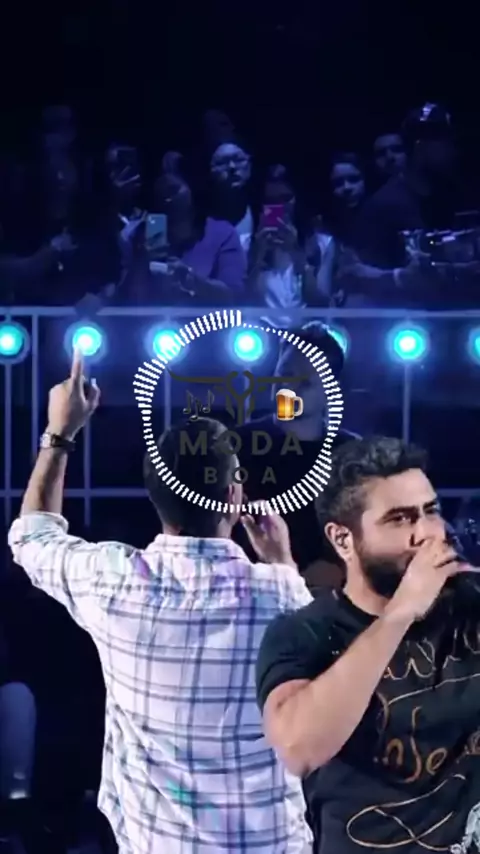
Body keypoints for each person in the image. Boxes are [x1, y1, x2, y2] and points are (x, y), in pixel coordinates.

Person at [8, 350, 313, 854]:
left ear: (153, 494)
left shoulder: (113, 582)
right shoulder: (280, 593)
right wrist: (282, 562)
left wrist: (60, 433)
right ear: (233, 495)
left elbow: (31, 537)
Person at [256, 435, 480, 853]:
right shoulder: (306, 632)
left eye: (431, 511)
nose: (426, 534)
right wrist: (399, 613)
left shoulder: (470, 605)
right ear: (343, 540)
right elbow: (298, 747)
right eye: (400, 519)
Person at [236, 321, 359, 588]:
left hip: (328, 597)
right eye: (285, 374)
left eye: (304, 382)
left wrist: (341, 566)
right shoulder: (237, 446)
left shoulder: (351, 455)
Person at [119, 154, 246, 304]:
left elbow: (233, 296)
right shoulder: (136, 236)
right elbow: (123, 302)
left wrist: (190, 278)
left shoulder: (223, 234)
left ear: (192, 188)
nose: (167, 199)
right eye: (161, 192)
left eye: (173, 190)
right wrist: (140, 262)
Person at [247, 165, 321, 322]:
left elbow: (319, 303)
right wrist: (257, 257)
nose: (279, 207)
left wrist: (297, 255)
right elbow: (244, 303)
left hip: (306, 332)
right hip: (260, 333)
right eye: (270, 201)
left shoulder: (323, 244)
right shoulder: (245, 244)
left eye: (285, 199)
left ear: (298, 199)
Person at [204, 110, 254, 253]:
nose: (232, 167)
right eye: (222, 162)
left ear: (250, 165)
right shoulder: (199, 222)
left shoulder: (263, 213)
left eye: (238, 160)